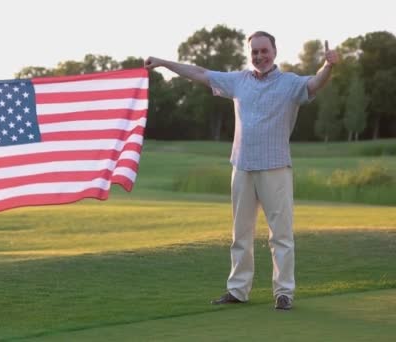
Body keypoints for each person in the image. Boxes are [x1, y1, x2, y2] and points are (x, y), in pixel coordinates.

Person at [145, 31, 339, 310]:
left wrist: (329, 65)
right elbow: (198, 73)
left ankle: (284, 292)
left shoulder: (289, 83)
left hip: (275, 168)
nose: (259, 56)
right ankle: (238, 290)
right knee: (240, 234)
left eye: (264, 51)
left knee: (281, 235)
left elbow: (316, 84)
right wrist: (163, 63)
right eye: (255, 52)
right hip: (242, 167)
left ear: (274, 51)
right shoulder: (238, 81)